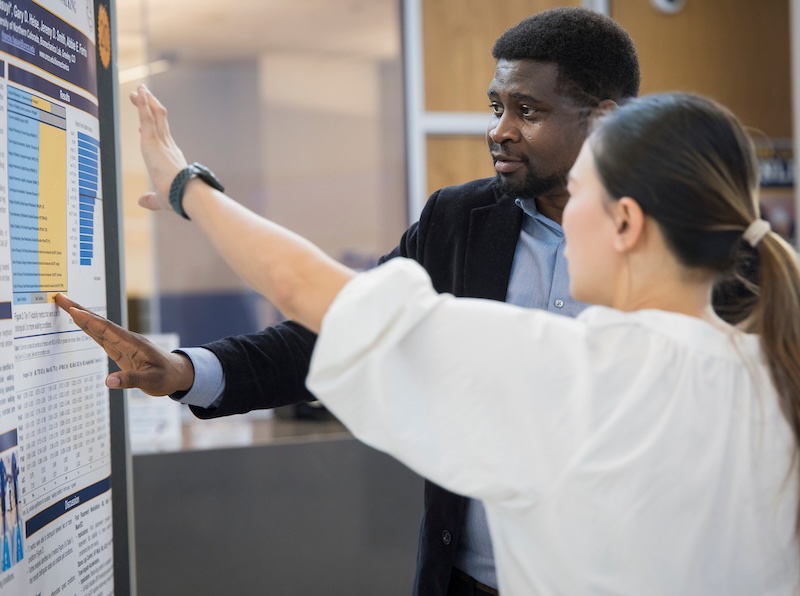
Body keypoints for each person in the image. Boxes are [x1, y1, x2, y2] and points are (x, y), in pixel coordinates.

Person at [60, 87, 800, 594]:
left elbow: (310, 288)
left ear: (627, 224)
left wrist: (187, 185)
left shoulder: (575, 376)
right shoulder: (773, 373)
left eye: (583, 196)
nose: (565, 217)